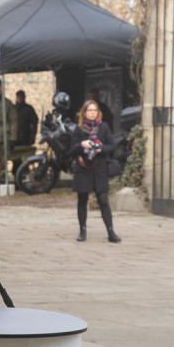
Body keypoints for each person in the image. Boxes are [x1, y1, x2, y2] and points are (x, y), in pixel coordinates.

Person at [70, 99, 120, 243]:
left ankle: (111, 232)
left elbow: (112, 145)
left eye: (95, 110)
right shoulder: (78, 129)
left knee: (103, 200)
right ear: (84, 112)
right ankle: (82, 231)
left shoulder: (103, 127)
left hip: (99, 168)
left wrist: (100, 148)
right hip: (83, 169)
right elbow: (71, 149)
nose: (92, 113)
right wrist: (82, 144)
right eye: (90, 110)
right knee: (82, 200)